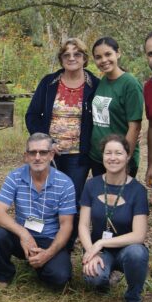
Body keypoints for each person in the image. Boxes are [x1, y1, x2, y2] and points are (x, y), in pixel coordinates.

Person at [0, 133, 77, 289]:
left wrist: (48, 254)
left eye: (43, 152)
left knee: (59, 279)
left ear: (51, 155)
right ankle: (3, 275)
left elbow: (66, 226)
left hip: (50, 238)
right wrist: (24, 234)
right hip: (21, 236)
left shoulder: (65, 183)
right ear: (26, 156)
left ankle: (40, 263)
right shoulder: (14, 177)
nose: (37, 157)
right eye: (32, 152)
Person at [79, 134, 149, 302]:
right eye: (108, 153)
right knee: (93, 277)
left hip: (127, 249)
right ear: (102, 157)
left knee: (137, 253)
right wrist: (90, 251)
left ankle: (133, 299)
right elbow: (83, 225)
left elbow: (139, 235)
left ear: (127, 156)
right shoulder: (91, 185)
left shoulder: (138, 190)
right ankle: (105, 281)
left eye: (118, 153)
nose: (112, 157)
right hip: (100, 251)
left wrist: (101, 243)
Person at [26, 37, 98, 210]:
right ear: (61, 59)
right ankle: (46, 235)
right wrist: (46, 142)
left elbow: (104, 117)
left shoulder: (95, 85)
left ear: (85, 58)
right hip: (49, 153)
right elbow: (32, 116)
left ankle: (69, 236)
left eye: (77, 54)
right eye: (66, 55)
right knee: (46, 196)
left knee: (72, 199)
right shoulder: (48, 83)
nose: (71, 58)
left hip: (79, 155)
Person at [89, 37, 144, 177]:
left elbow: (135, 126)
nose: (103, 60)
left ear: (118, 53)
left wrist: (125, 158)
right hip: (99, 157)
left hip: (118, 158)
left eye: (108, 54)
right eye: (98, 57)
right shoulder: (103, 81)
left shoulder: (130, 84)